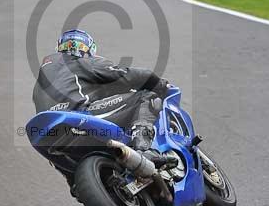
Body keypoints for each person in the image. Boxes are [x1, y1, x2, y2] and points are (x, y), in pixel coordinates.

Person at [32, 29, 175, 167]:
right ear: (89, 50)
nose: (74, 49)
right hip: (76, 117)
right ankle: (144, 150)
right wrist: (160, 85)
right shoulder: (81, 62)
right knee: (145, 97)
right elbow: (126, 75)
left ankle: (78, 180)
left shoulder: (42, 80)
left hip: (48, 135)